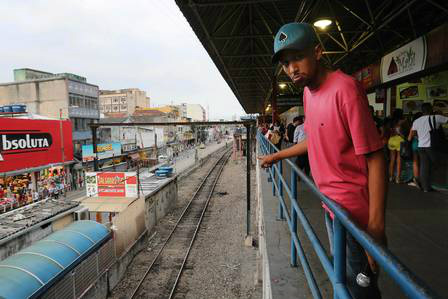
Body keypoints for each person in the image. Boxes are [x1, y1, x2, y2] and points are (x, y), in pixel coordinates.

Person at [258, 22, 386, 299]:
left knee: (359, 290)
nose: (291, 69)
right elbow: (316, 139)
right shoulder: (307, 93)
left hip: (354, 216)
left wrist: (375, 227)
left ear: (317, 52)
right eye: (285, 63)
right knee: (342, 281)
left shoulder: (346, 89)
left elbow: (376, 157)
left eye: (297, 58)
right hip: (330, 206)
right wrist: (277, 155)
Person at [408, 103, 448, 192]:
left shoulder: (417, 121)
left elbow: (413, 133)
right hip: (432, 146)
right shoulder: (436, 117)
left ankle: (426, 188)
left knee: (424, 166)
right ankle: (440, 184)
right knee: (440, 162)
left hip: (421, 146)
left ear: (422, 111)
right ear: (431, 109)